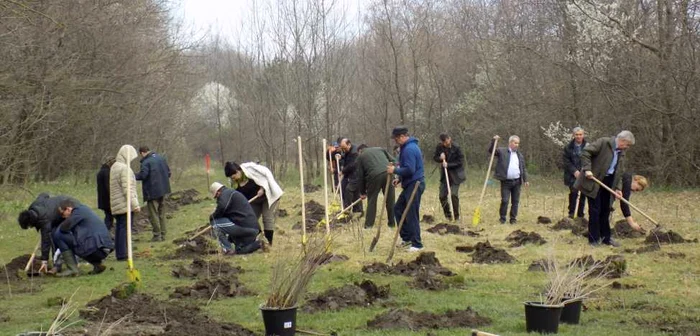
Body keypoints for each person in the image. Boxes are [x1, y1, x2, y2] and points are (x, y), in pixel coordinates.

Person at [574, 130, 635, 247]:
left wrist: (618, 187)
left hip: (609, 182)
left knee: (606, 209)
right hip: (594, 180)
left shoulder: (622, 152)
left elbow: (619, 172)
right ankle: (594, 239)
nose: (627, 148)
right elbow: (585, 152)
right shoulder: (604, 142)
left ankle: (606, 238)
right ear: (622, 141)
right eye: (627, 145)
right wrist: (587, 169)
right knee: (595, 210)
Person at [17, 193, 81, 274]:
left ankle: (60, 265)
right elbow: (44, 194)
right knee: (55, 233)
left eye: (29, 226)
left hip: (71, 208)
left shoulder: (45, 221)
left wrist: (44, 261)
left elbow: (46, 242)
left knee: (56, 237)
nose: (31, 227)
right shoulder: (34, 206)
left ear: (31, 222)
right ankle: (58, 264)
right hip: (64, 202)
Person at [224, 161, 284, 245]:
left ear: (238, 171)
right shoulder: (234, 183)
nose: (233, 179)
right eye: (231, 178)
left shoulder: (250, 170)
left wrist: (262, 189)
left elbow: (266, 176)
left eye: (234, 177)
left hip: (268, 195)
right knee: (250, 218)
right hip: (255, 200)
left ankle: (268, 243)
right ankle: (257, 240)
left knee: (267, 217)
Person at [387, 126, 425, 252]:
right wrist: (399, 178)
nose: (395, 141)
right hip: (409, 183)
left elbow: (410, 169)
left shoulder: (410, 149)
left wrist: (395, 170)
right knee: (398, 209)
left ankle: (417, 244)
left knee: (411, 213)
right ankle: (407, 238)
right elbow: (407, 169)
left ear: (403, 136)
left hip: (415, 185)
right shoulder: (405, 148)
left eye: (397, 138)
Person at [53, 200, 114, 276]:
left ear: (68, 209)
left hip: (97, 247)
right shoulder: (84, 210)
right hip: (104, 246)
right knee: (80, 241)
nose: (63, 217)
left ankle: (72, 269)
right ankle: (97, 265)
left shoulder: (77, 212)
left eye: (62, 214)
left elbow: (64, 228)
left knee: (59, 234)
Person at [209, 182, 261, 255]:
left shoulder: (225, 194)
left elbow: (222, 207)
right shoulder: (232, 194)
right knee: (239, 250)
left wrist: (212, 217)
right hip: (253, 229)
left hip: (244, 226)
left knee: (215, 223)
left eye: (216, 197)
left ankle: (227, 250)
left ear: (218, 192)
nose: (217, 199)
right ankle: (259, 244)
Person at [489, 135, 529, 224]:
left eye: (518, 143)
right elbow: (492, 151)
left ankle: (513, 219)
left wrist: (525, 180)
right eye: (515, 143)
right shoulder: (502, 151)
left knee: (515, 201)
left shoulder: (520, 155)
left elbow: (523, 168)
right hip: (506, 182)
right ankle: (502, 219)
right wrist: (494, 141)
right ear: (510, 143)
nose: (517, 145)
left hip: (517, 182)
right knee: (505, 200)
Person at [354, 144, 396, 229]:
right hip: (389, 173)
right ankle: (392, 224)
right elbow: (393, 160)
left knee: (372, 200)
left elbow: (360, 177)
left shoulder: (360, 157)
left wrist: (362, 192)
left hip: (374, 176)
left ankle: (369, 225)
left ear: (360, 151)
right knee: (390, 200)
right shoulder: (380, 148)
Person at [110, 145, 140, 261]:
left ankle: (121, 252)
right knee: (124, 229)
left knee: (120, 228)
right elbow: (128, 189)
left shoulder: (114, 167)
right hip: (124, 204)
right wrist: (135, 205)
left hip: (117, 204)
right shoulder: (124, 169)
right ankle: (123, 253)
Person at [135, 146, 171, 242]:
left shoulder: (146, 162)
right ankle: (163, 234)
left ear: (142, 152)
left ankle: (157, 235)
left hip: (152, 192)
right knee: (162, 213)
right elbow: (169, 173)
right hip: (163, 190)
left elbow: (143, 175)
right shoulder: (161, 158)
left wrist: (132, 175)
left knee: (153, 214)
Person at [433, 133, 466, 221]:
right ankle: (448, 216)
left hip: (456, 175)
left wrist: (449, 165)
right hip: (445, 176)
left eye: (446, 141)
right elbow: (435, 157)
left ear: (449, 138)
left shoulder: (457, 148)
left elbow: (460, 161)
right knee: (442, 196)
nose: (445, 143)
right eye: (443, 142)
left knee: (453, 195)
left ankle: (457, 217)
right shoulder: (440, 147)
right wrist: (440, 158)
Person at [563, 127, 587, 219]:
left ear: (583, 135)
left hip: (584, 174)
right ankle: (572, 213)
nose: (578, 136)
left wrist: (584, 170)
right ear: (573, 135)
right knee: (573, 193)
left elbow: (591, 160)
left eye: (580, 134)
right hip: (572, 175)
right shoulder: (568, 147)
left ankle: (580, 215)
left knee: (583, 195)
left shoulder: (588, 146)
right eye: (576, 134)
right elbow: (566, 161)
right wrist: (575, 171)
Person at [339, 138, 363, 215]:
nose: (343, 150)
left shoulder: (355, 152)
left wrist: (343, 171)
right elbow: (345, 157)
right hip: (348, 174)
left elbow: (353, 165)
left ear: (349, 145)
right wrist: (341, 159)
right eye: (342, 148)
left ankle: (354, 210)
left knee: (350, 190)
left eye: (344, 148)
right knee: (343, 188)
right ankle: (346, 208)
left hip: (355, 174)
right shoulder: (347, 150)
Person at [97, 156, 116, 230]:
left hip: (103, 199)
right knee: (109, 218)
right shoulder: (107, 172)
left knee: (109, 216)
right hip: (107, 200)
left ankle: (107, 232)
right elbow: (108, 187)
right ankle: (106, 233)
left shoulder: (101, 171)